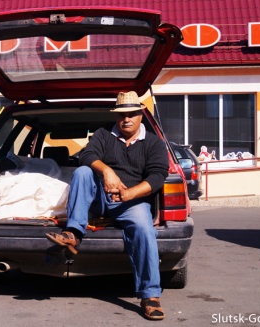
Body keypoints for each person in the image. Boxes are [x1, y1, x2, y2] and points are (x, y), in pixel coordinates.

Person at [46, 91, 169, 320]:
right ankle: (73, 233)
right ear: (116, 117)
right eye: (122, 114)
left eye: (132, 114)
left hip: (133, 203)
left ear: (141, 114)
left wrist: (130, 194)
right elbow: (86, 155)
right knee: (83, 172)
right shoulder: (103, 134)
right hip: (99, 200)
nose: (126, 119)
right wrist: (107, 171)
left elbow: (157, 177)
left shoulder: (153, 143)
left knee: (144, 230)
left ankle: (150, 295)